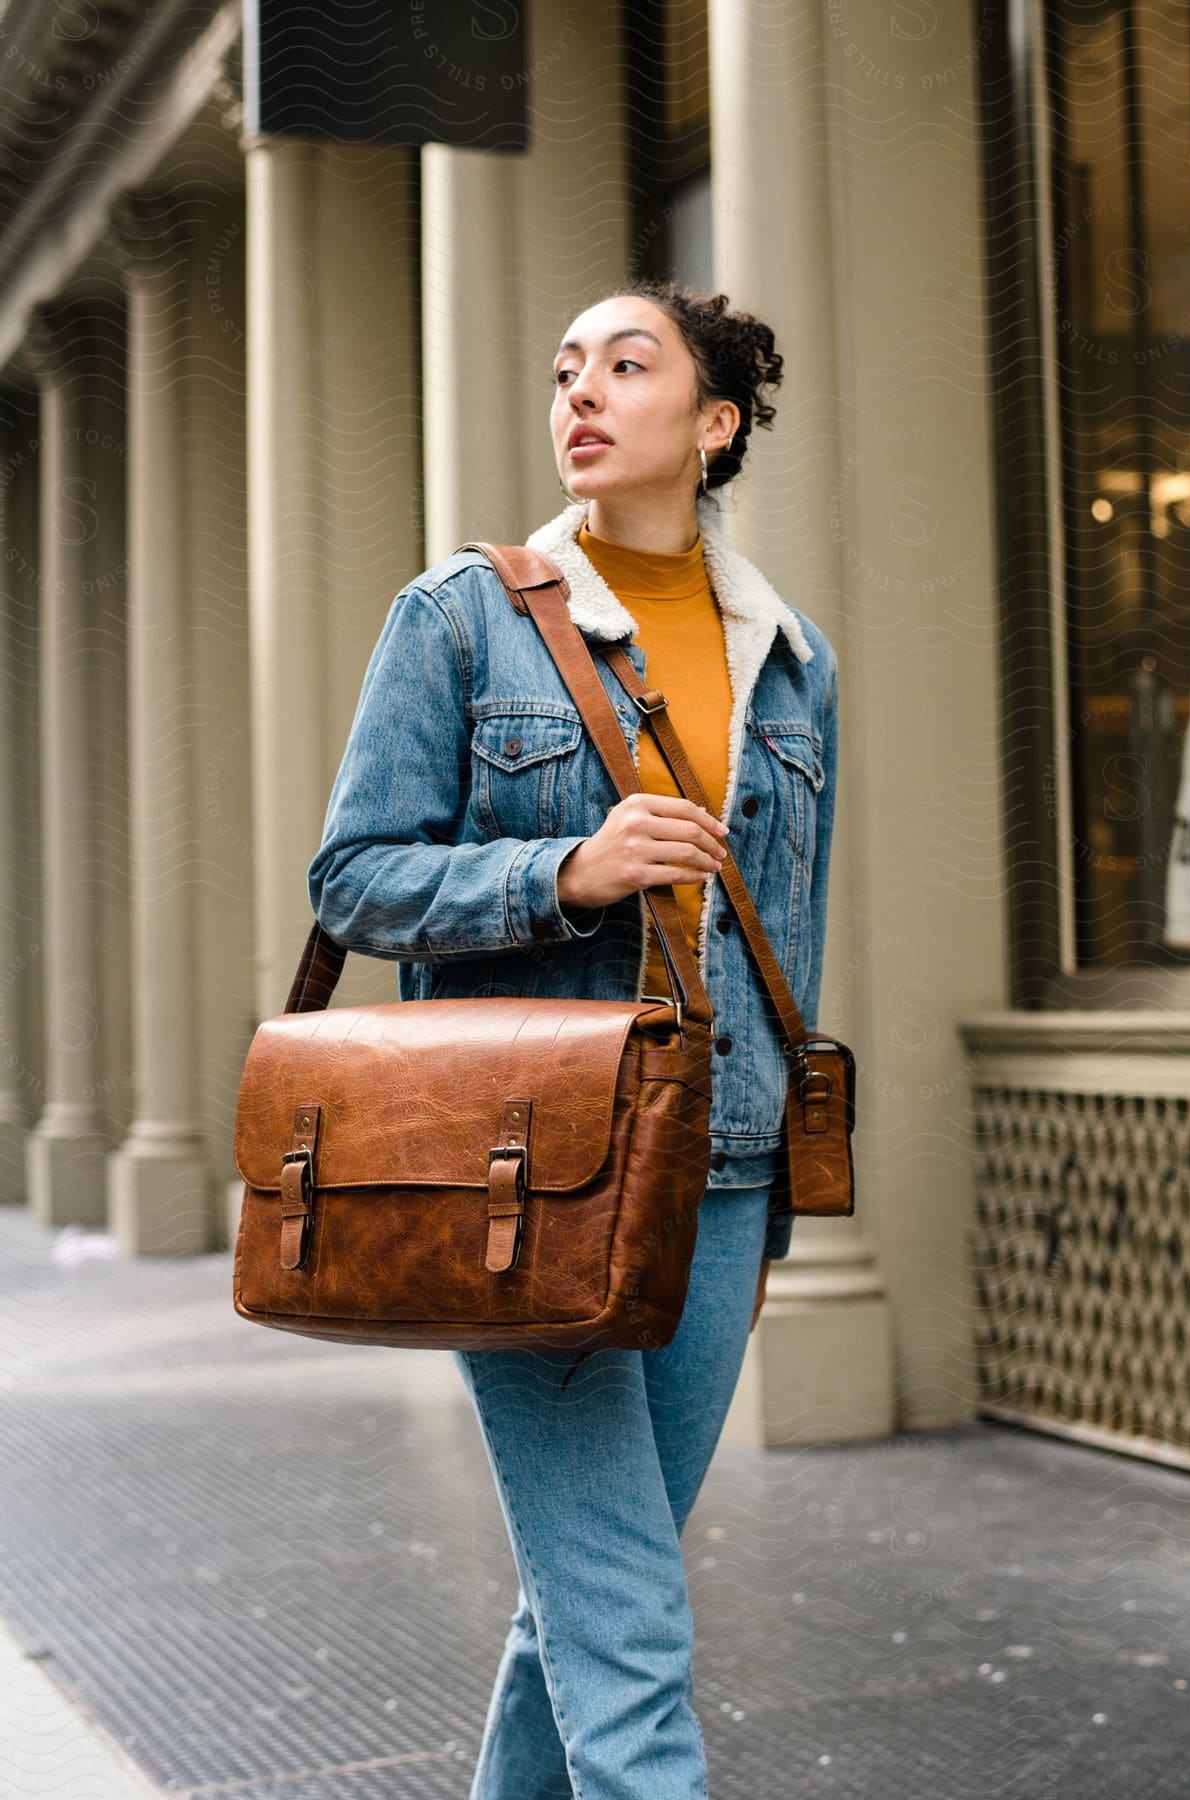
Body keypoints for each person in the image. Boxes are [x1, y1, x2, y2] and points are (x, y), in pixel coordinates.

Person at [306, 278, 839, 1799]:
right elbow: (352, 878)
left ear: (716, 422)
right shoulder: (460, 617)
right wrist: (565, 869)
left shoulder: (797, 666)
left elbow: (785, 947)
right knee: (628, 1628)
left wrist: (771, 1223)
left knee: (589, 1599)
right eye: (564, 371)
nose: (580, 394)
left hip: (721, 1171)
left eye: (625, 364)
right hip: (515, 1178)